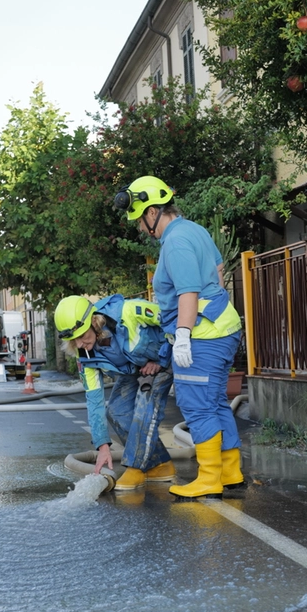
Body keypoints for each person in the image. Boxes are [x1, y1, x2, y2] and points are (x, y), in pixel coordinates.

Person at [115, 176, 244, 499]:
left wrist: (183, 336)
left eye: (141, 220)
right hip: (222, 325)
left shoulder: (174, 241)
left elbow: (188, 291)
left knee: (196, 404)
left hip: (202, 334)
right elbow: (217, 272)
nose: (142, 229)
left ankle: (210, 478)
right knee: (215, 402)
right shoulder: (195, 230)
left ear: (153, 210)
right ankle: (230, 471)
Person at [55, 294, 175, 491]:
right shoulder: (85, 356)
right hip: (136, 368)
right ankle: (160, 465)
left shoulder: (127, 312)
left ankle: (136, 467)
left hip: (166, 360)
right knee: (116, 410)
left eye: (82, 336)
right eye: (73, 340)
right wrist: (102, 446)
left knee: (145, 407)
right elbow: (94, 401)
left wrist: (161, 359)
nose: (79, 345)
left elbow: (172, 320)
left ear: (94, 321)